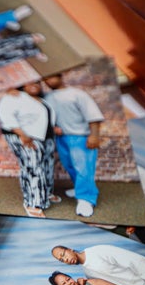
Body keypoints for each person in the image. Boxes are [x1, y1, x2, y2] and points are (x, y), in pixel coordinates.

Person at [43, 73, 104, 218]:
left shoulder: (77, 94)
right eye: (45, 78)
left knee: (84, 168)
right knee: (69, 165)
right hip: (62, 137)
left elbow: (93, 115)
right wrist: (54, 127)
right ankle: (79, 188)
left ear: (60, 76)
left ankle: (86, 199)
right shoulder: (47, 98)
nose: (47, 80)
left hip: (81, 137)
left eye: (50, 76)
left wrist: (94, 135)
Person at [0, 82, 60, 218]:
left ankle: (46, 193)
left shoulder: (42, 100)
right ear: (22, 85)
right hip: (25, 137)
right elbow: (6, 116)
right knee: (33, 168)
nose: (34, 85)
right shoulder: (14, 96)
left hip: (45, 137)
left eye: (37, 82)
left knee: (47, 166)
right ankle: (33, 203)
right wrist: (23, 135)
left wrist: (54, 128)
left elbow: (42, 118)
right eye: (29, 83)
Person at [50, 244, 145, 285]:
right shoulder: (88, 273)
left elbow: (134, 261)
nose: (66, 260)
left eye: (64, 255)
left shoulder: (98, 251)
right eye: (62, 260)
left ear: (70, 249)